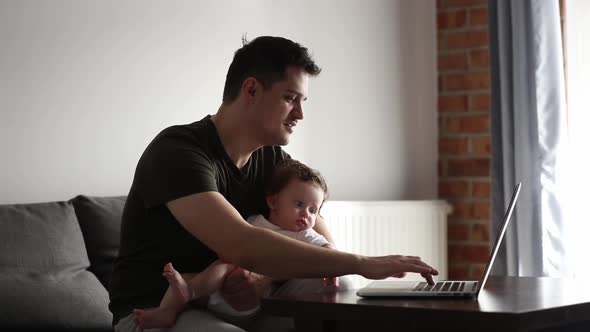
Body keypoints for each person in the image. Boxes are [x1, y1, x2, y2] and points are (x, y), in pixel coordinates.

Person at [108, 35, 439, 332]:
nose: (299, 114)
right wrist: (366, 263)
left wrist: (265, 279)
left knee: (341, 284)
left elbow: (317, 237)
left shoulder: (272, 159)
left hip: (235, 304)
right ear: (251, 89)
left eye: (302, 101)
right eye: (290, 98)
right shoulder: (178, 151)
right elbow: (243, 243)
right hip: (152, 313)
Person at [131, 159, 338, 329]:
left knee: (225, 266)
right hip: (216, 294)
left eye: (313, 210)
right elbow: (236, 240)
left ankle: (190, 293)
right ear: (273, 202)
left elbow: (327, 249)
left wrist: (332, 267)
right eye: (299, 205)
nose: (306, 215)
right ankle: (168, 310)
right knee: (192, 276)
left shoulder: (303, 235)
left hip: (250, 299)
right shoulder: (256, 221)